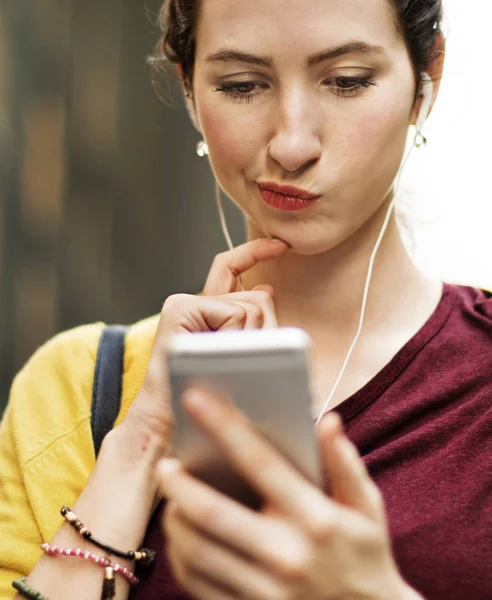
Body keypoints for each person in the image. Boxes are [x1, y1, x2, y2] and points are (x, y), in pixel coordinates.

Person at [1, 0, 491, 598]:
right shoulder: (80, 388)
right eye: (241, 86)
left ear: (427, 76)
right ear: (188, 89)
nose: (291, 143)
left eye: (346, 81)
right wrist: (139, 444)